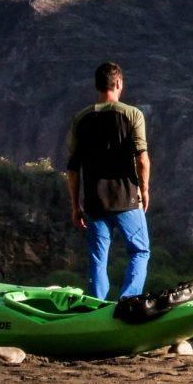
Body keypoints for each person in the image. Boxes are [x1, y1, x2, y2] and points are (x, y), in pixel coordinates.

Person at [65, 61, 151, 301]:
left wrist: (75, 205)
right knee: (140, 251)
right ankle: (128, 301)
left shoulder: (80, 118)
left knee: (97, 257)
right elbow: (142, 159)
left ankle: (97, 309)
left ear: (97, 86)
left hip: (94, 202)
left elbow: (72, 168)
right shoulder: (132, 114)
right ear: (119, 83)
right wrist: (144, 190)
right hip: (126, 199)